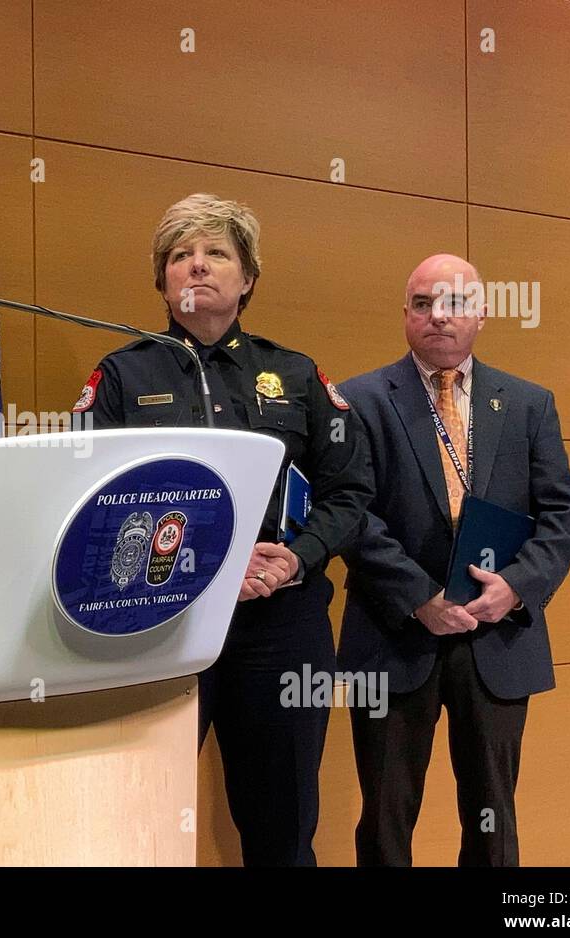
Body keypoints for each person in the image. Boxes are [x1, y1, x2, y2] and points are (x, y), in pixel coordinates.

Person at [73, 193, 372, 865]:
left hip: (280, 627)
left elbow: (350, 492)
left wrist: (295, 560)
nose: (196, 267)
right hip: (159, 627)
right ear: (162, 281)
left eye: (216, 253)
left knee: (284, 827)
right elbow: (88, 503)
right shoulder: (122, 375)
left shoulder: (296, 376)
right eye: (179, 256)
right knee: (139, 822)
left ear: (248, 280)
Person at [338, 253, 570, 866]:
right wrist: (421, 597)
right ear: (405, 315)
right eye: (422, 305)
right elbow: (352, 516)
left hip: (497, 638)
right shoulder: (358, 401)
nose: (437, 318)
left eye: (452, 304)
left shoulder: (529, 404)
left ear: (480, 313)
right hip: (395, 634)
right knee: (386, 819)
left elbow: (563, 515)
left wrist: (518, 587)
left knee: (493, 818)